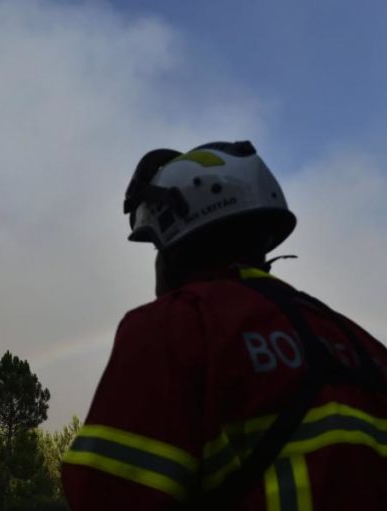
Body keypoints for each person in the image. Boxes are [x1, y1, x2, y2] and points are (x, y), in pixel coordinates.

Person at [61, 141, 387, 510]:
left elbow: (107, 493)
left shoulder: (175, 327)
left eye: (156, 247)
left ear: (174, 246)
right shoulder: (363, 346)